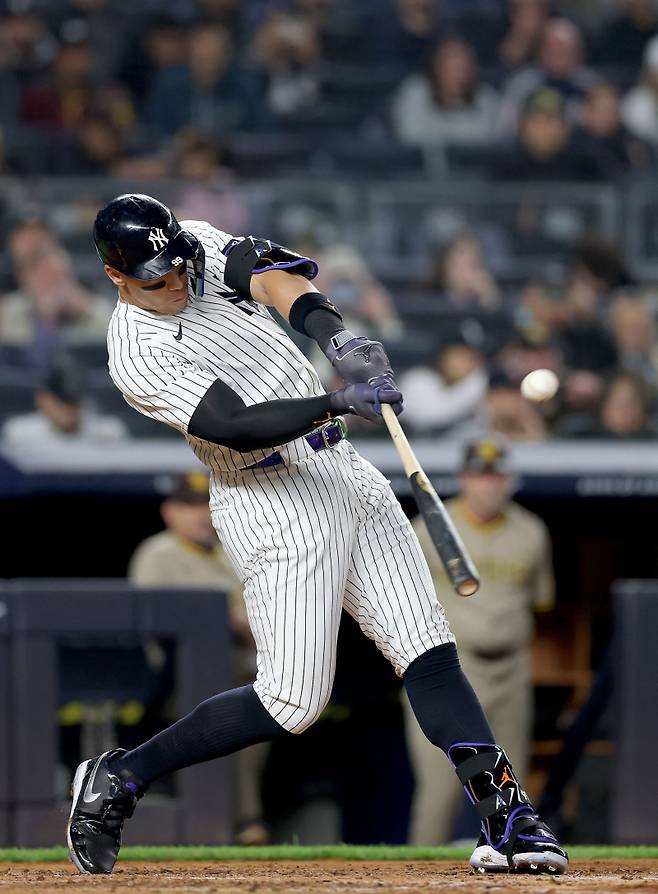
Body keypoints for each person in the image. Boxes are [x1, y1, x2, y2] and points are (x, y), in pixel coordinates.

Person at [66, 193, 568, 876]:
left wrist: (339, 339)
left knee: (428, 648)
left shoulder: (194, 246)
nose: (178, 280)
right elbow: (231, 423)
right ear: (116, 277)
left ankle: (508, 817)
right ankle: (121, 777)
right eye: (158, 276)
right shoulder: (135, 351)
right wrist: (337, 399)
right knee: (293, 701)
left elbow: (276, 279)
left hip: (340, 468)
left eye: (179, 264)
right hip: (268, 496)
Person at [404, 437, 555, 844]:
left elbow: (540, 603)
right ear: (464, 479)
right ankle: (414, 883)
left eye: (497, 475)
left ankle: (515, 869)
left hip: (511, 670)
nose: (489, 484)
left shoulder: (532, 531)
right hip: (449, 670)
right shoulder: (428, 528)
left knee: (509, 791)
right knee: (438, 794)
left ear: (509, 481)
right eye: (480, 475)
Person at [128, 470, 268, 845]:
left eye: (205, 505)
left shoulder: (230, 555)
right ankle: (238, 822)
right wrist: (222, 619)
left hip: (240, 673)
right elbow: (155, 627)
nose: (201, 515)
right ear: (168, 512)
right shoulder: (158, 554)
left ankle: (238, 822)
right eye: (189, 507)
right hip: (177, 681)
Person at [1, 356, 128, 445]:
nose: (70, 409)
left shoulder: (108, 434)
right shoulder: (21, 435)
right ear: (43, 400)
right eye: (63, 401)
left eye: (75, 402)